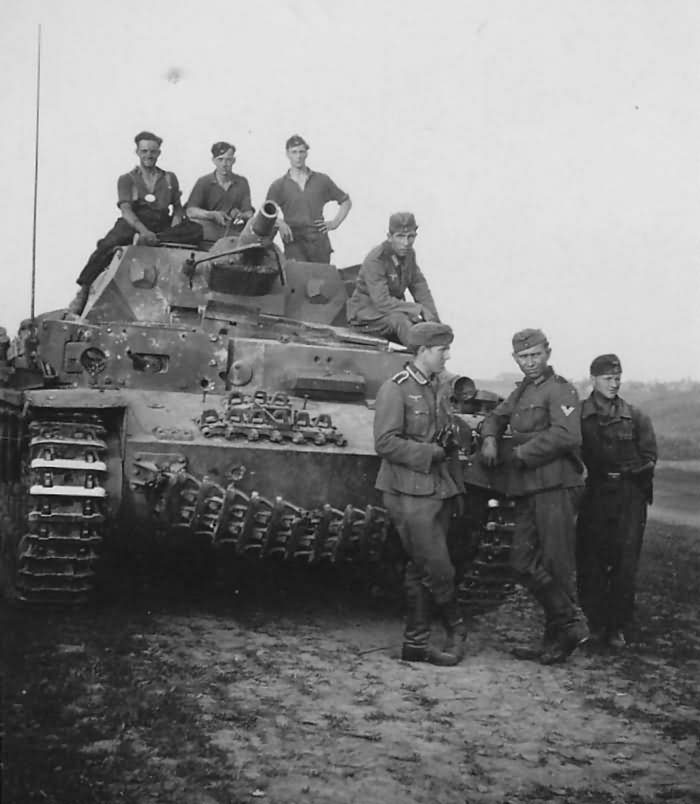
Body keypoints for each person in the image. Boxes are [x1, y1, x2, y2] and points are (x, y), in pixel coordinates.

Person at [480, 328, 589, 664]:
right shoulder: (524, 390)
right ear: (515, 359)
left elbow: (566, 435)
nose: (529, 362)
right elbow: (496, 416)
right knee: (521, 562)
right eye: (523, 357)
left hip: (555, 486)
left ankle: (558, 640)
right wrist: (489, 437)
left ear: (548, 353)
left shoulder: (560, 390)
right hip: (529, 487)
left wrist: (523, 454)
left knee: (556, 565)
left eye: (535, 355)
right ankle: (569, 623)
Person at [374, 322, 468, 666]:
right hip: (408, 492)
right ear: (423, 350)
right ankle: (457, 629)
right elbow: (385, 442)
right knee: (438, 568)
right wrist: (432, 454)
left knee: (420, 566)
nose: (447, 354)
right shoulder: (395, 389)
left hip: (437, 490)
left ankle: (415, 643)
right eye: (442, 349)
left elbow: (447, 437)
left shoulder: (437, 388)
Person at [69, 131, 202, 314]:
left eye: (153, 152)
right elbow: (126, 211)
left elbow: (177, 207)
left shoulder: (169, 178)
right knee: (107, 245)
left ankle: (156, 239)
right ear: (137, 152)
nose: (149, 155)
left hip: (161, 222)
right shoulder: (127, 179)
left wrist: (176, 220)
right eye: (145, 151)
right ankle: (82, 291)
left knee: (196, 231)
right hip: (135, 221)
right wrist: (143, 231)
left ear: (159, 153)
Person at [576, 354, 657, 648]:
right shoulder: (580, 415)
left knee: (625, 564)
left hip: (629, 496)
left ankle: (617, 627)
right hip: (594, 493)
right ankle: (596, 624)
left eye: (618, 378)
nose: (614, 383)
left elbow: (649, 456)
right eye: (608, 378)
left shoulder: (635, 417)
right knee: (591, 560)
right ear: (593, 379)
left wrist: (635, 472)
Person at [346, 212, 440, 346]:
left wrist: (434, 320)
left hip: (391, 312)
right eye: (400, 236)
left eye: (410, 237)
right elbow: (382, 302)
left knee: (421, 325)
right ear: (390, 237)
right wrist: (418, 309)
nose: (406, 243)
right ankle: (421, 359)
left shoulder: (409, 256)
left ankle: (433, 355)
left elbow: (420, 287)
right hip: (365, 316)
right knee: (400, 321)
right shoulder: (376, 259)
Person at [266, 134, 351, 263]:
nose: (298, 156)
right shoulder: (279, 185)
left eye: (301, 152)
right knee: (299, 280)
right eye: (294, 152)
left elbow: (346, 201)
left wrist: (334, 223)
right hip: (294, 242)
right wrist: (280, 223)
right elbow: (266, 213)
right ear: (287, 154)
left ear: (306, 154)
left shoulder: (321, 180)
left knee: (321, 281)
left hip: (318, 242)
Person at [185, 141, 254, 248]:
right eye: (220, 159)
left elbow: (249, 213)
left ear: (234, 161)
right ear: (213, 161)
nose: (224, 164)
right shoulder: (204, 182)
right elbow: (190, 211)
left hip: (231, 238)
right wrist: (212, 214)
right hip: (206, 237)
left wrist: (240, 214)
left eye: (228, 160)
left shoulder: (241, 182)